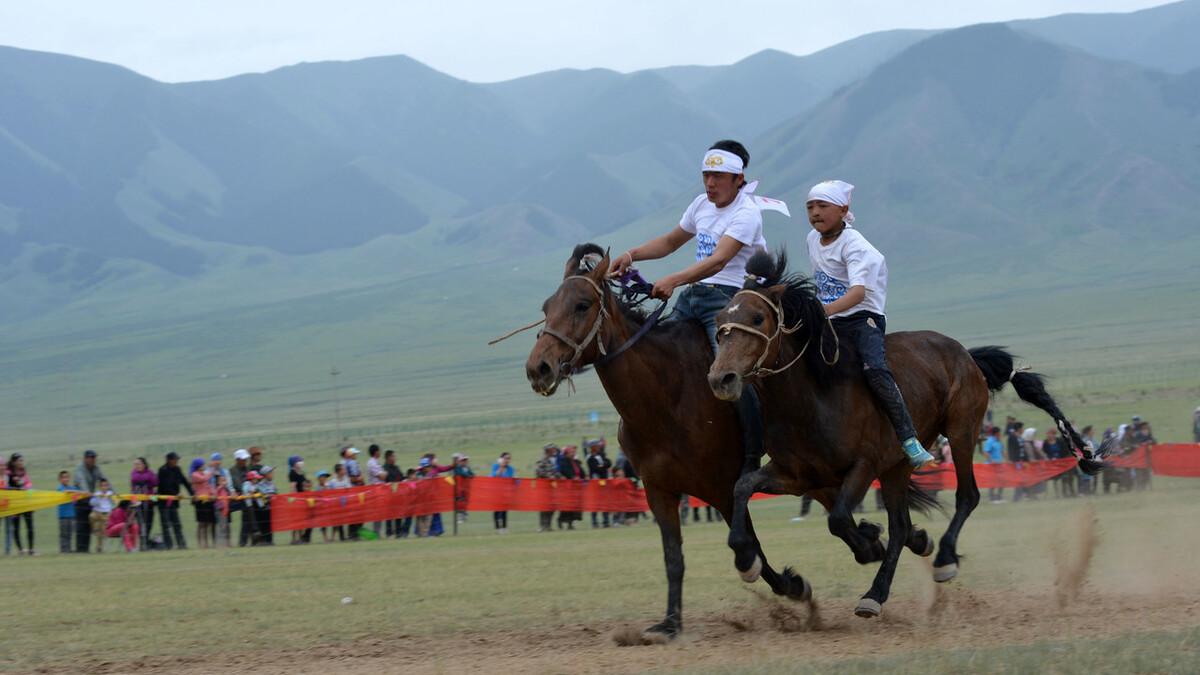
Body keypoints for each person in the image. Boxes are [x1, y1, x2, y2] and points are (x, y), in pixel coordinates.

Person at [609, 140, 787, 472]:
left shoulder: (746, 213)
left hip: (729, 302)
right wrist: (631, 254)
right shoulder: (700, 205)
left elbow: (719, 261)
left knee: (731, 371)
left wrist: (673, 280)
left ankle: (751, 453)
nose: (710, 183)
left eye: (719, 176)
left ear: (738, 179)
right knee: (658, 355)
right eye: (707, 175)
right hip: (693, 295)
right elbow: (670, 242)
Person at [803, 180, 937, 469]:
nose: (815, 212)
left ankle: (909, 438)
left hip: (863, 319)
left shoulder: (856, 246)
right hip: (831, 319)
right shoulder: (812, 239)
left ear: (843, 209)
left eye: (822, 206)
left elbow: (857, 293)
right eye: (810, 207)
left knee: (874, 371)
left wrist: (821, 312)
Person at [156, 452, 194, 550]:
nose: (176, 461)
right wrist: (175, 494)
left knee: (177, 524)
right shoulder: (162, 470)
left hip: (173, 502)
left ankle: (181, 544)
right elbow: (164, 485)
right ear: (169, 460)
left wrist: (193, 493)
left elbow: (185, 481)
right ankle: (168, 546)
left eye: (177, 459)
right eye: (175, 459)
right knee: (166, 525)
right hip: (163, 502)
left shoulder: (177, 469)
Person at [73, 449, 107, 553]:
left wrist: (112, 494)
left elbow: (104, 480)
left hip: (91, 500)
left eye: (94, 458)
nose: (93, 460)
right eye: (91, 458)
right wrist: (89, 494)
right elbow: (82, 482)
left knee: (88, 525)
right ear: (85, 458)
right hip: (80, 500)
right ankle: (80, 549)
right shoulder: (79, 469)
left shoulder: (96, 468)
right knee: (81, 526)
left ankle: (86, 550)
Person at [5, 453, 34, 555]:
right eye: (19, 461)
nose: (21, 462)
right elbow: (6, 488)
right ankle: (20, 549)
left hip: (26, 503)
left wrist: (28, 489)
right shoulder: (8, 474)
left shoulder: (24, 472)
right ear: (14, 462)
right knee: (16, 527)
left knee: (30, 526)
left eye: (22, 460)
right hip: (15, 505)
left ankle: (31, 549)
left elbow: (29, 484)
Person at [129, 457, 157, 550]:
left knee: (149, 522)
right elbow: (136, 478)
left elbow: (155, 482)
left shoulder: (150, 472)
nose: (136, 466)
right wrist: (147, 479)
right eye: (135, 464)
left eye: (138, 464)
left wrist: (148, 479)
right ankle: (142, 543)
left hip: (150, 501)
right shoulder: (134, 473)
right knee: (141, 523)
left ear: (144, 464)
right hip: (138, 503)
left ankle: (146, 541)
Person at [535, 444, 563, 532]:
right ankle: (542, 526)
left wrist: (560, 477)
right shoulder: (541, 461)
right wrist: (549, 476)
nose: (554, 451)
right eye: (552, 450)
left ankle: (549, 525)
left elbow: (555, 472)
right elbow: (539, 472)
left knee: (552, 507)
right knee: (544, 507)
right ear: (547, 451)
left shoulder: (552, 461)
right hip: (544, 488)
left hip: (552, 488)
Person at [586, 440, 613, 529]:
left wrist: (602, 465)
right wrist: (603, 466)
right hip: (595, 484)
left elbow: (609, 463)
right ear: (592, 447)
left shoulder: (601, 454)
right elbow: (595, 469)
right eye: (596, 446)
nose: (598, 447)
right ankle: (594, 522)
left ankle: (606, 521)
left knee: (605, 502)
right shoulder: (589, 458)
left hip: (604, 483)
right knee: (595, 503)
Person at [557, 446, 585, 530]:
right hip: (567, 487)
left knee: (575, 506)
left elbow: (581, 471)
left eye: (574, 452)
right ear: (566, 454)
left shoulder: (576, 462)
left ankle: (570, 523)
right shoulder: (563, 462)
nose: (573, 454)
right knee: (567, 505)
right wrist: (572, 477)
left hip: (577, 487)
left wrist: (584, 476)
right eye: (571, 452)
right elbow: (564, 471)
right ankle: (561, 520)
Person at [189, 457, 215, 548]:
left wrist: (213, 493)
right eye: (202, 465)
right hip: (200, 501)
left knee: (208, 522)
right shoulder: (194, 475)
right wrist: (211, 470)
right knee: (201, 523)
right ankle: (200, 543)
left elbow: (208, 485)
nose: (204, 466)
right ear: (198, 466)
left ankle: (207, 543)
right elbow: (204, 479)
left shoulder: (203, 473)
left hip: (208, 500)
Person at [230, 449, 252, 547]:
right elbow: (237, 483)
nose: (245, 461)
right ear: (237, 459)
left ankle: (243, 542)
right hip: (234, 499)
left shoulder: (247, 469)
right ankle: (226, 541)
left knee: (247, 519)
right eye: (243, 459)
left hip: (245, 498)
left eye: (246, 459)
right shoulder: (232, 470)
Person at [287, 455, 311, 544]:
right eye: (299, 461)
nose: (301, 462)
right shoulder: (292, 473)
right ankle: (294, 539)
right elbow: (293, 486)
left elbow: (305, 484)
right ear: (294, 463)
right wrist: (295, 498)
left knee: (301, 519)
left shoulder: (301, 473)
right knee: (296, 519)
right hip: (297, 499)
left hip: (303, 498)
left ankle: (300, 538)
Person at [88, 479, 116, 553]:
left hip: (106, 514)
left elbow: (115, 502)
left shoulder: (110, 493)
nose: (104, 487)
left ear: (108, 486)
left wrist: (111, 498)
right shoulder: (97, 493)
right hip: (97, 512)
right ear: (99, 487)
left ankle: (99, 548)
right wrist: (97, 498)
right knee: (91, 516)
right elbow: (91, 503)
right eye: (102, 486)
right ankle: (93, 529)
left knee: (102, 531)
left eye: (105, 485)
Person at [342, 447, 363, 540]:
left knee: (352, 513)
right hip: (355, 490)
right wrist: (360, 478)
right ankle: (355, 534)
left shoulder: (345, 463)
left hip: (349, 491)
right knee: (358, 513)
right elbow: (354, 478)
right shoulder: (352, 463)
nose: (356, 455)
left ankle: (352, 534)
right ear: (351, 455)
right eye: (355, 454)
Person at [490, 452, 514, 534]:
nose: (507, 460)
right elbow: (494, 476)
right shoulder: (495, 466)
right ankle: (497, 528)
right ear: (501, 459)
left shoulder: (511, 469)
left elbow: (510, 479)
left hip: (505, 492)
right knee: (497, 510)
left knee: (504, 510)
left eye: (509, 458)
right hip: (496, 491)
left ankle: (504, 527)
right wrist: (501, 467)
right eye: (506, 458)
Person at [382, 451, 404, 538]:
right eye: (393, 456)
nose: (395, 458)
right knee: (389, 514)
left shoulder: (396, 467)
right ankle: (389, 532)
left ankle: (398, 532)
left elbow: (402, 478)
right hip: (388, 495)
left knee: (398, 513)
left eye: (395, 456)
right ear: (388, 458)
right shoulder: (384, 468)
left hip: (398, 494)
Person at [366, 445, 387, 537]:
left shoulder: (376, 462)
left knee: (380, 513)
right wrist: (385, 473)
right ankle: (376, 533)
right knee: (377, 513)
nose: (380, 453)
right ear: (376, 452)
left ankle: (377, 533)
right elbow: (382, 476)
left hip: (380, 489)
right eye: (379, 451)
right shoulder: (372, 463)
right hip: (376, 490)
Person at [327, 464, 351, 541]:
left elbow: (350, 489)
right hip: (336, 504)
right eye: (343, 469)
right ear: (338, 471)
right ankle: (340, 537)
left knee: (345, 519)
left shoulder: (346, 479)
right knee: (337, 521)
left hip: (346, 503)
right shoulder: (333, 482)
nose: (344, 471)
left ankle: (346, 535)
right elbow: (329, 492)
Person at [982, 427, 1006, 503]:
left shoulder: (999, 441)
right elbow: (986, 452)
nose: (1000, 434)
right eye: (1000, 432)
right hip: (991, 465)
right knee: (993, 481)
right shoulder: (990, 441)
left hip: (999, 465)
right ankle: (992, 498)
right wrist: (991, 461)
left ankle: (999, 496)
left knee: (1002, 480)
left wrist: (1008, 460)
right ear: (996, 433)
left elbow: (1002, 451)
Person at [255, 466, 277, 545]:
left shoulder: (272, 484)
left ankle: (269, 541)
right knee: (263, 525)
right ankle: (263, 541)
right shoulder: (259, 485)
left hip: (271, 508)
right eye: (270, 473)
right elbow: (261, 494)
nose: (272, 474)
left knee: (270, 525)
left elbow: (275, 493)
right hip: (263, 508)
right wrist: (268, 496)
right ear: (265, 475)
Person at [56, 471, 77, 554]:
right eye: (63, 477)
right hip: (63, 516)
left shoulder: (73, 488)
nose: (66, 479)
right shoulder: (59, 488)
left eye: (67, 477)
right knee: (63, 534)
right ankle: (63, 550)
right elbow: (65, 492)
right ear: (60, 479)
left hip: (72, 514)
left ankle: (68, 549)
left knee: (70, 533)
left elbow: (76, 497)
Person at [213, 472, 232, 547]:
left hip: (225, 510)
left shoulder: (226, 489)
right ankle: (220, 543)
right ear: (218, 482)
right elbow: (215, 494)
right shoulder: (218, 489)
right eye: (222, 480)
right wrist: (220, 486)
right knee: (221, 526)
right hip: (220, 510)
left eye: (224, 480)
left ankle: (226, 543)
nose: (224, 482)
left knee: (225, 526)